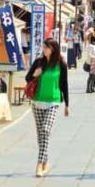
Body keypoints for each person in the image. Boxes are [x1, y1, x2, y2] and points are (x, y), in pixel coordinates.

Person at [25, 38, 70, 177]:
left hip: (53, 101)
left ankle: (39, 164)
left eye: (46, 47)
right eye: (43, 47)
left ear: (53, 49)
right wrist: (34, 74)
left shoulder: (61, 64)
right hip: (38, 101)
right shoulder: (39, 62)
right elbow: (27, 78)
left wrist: (67, 104)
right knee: (41, 136)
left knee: (45, 130)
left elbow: (64, 84)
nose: (44, 50)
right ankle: (45, 161)